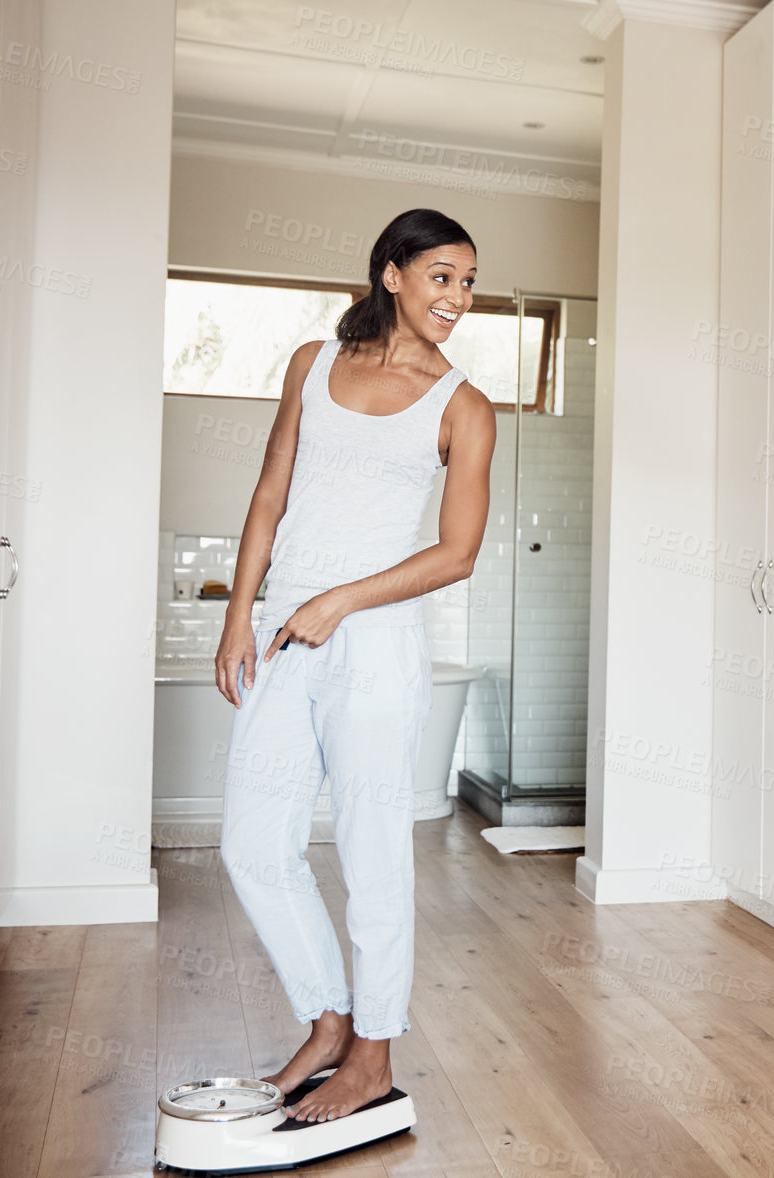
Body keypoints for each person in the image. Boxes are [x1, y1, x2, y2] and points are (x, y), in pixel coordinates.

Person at [212, 208, 495, 1123]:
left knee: (373, 855)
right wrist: (239, 618)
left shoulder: (463, 406)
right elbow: (269, 492)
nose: (457, 298)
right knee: (254, 845)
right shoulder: (312, 363)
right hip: (286, 639)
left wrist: (338, 601)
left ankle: (371, 1054)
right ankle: (327, 1022)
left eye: (467, 282)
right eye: (443, 277)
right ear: (392, 274)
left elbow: (456, 553)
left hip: (371, 647)